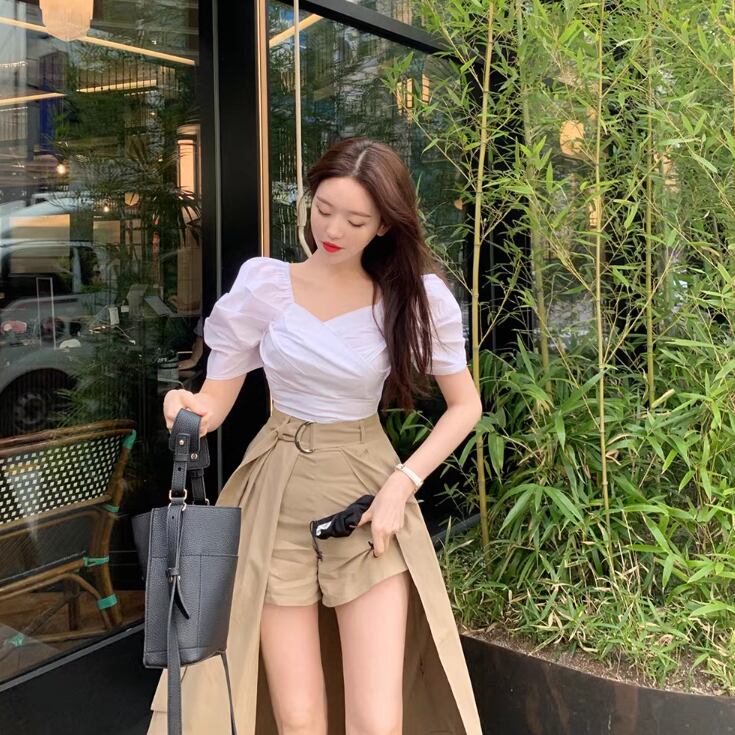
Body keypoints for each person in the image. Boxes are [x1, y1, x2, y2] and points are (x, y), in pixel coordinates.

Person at [146, 137, 484, 734]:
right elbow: (215, 401)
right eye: (324, 209)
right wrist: (185, 406)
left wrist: (402, 485)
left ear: (384, 225)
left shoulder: (413, 297)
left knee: (376, 719)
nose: (332, 229)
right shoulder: (264, 286)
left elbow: (465, 407)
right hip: (274, 492)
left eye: (355, 220)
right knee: (297, 716)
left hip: (367, 494)